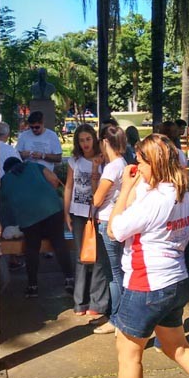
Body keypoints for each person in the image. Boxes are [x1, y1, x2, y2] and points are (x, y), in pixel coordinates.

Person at [107, 134, 189, 378]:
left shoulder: (156, 199)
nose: (139, 168)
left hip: (146, 284)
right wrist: (140, 184)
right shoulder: (181, 191)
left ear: (155, 163)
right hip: (175, 281)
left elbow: (115, 230)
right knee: (178, 347)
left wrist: (125, 189)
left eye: (142, 163)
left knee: (128, 356)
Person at [0, 157, 73, 298]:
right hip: (52, 209)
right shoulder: (33, 165)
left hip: (28, 217)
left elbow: (2, 203)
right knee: (59, 243)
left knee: (32, 248)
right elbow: (54, 180)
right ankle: (69, 278)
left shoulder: (5, 179)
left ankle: (33, 286)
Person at [64, 124, 109, 316]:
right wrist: (66, 212)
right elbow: (68, 186)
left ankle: (96, 303)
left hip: (96, 213)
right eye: (81, 140)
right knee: (81, 257)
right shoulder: (74, 160)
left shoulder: (102, 161)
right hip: (78, 213)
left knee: (98, 258)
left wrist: (96, 167)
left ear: (94, 139)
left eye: (88, 139)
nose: (85, 144)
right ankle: (79, 302)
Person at [91, 125, 127, 334]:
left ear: (105, 142)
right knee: (116, 271)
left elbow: (97, 199)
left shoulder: (113, 167)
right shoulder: (121, 163)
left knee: (114, 273)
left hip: (107, 220)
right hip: (115, 218)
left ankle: (117, 319)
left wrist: (95, 176)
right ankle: (117, 316)